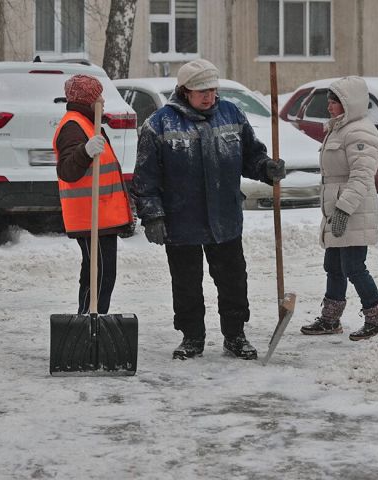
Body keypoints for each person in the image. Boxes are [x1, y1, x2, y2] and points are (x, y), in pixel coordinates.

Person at [133, 59, 286, 360]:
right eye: (201, 90)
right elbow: (145, 177)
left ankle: (235, 335)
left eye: (212, 90)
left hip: (224, 217)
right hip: (181, 221)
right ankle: (192, 337)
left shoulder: (231, 114)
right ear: (184, 91)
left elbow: (251, 156)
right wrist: (152, 215)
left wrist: (266, 168)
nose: (208, 96)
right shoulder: (159, 124)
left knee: (233, 280)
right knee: (187, 283)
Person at [299, 76, 378, 341]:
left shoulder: (360, 131)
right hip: (337, 208)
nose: (329, 105)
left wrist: (343, 209)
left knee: (354, 266)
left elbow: (362, 176)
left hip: (353, 210)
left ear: (350, 103)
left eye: (335, 101)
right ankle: (330, 319)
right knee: (334, 265)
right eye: (329, 100)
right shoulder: (339, 128)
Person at [53, 74, 133, 315]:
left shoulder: (89, 123)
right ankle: (88, 321)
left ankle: (91, 320)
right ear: (88, 100)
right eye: (98, 95)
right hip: (90, 217)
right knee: (98, 275)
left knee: (101, 274)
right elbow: (67, 170)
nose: (103, 100)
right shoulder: (73, 126)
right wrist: (85, 152)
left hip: (102, 215)